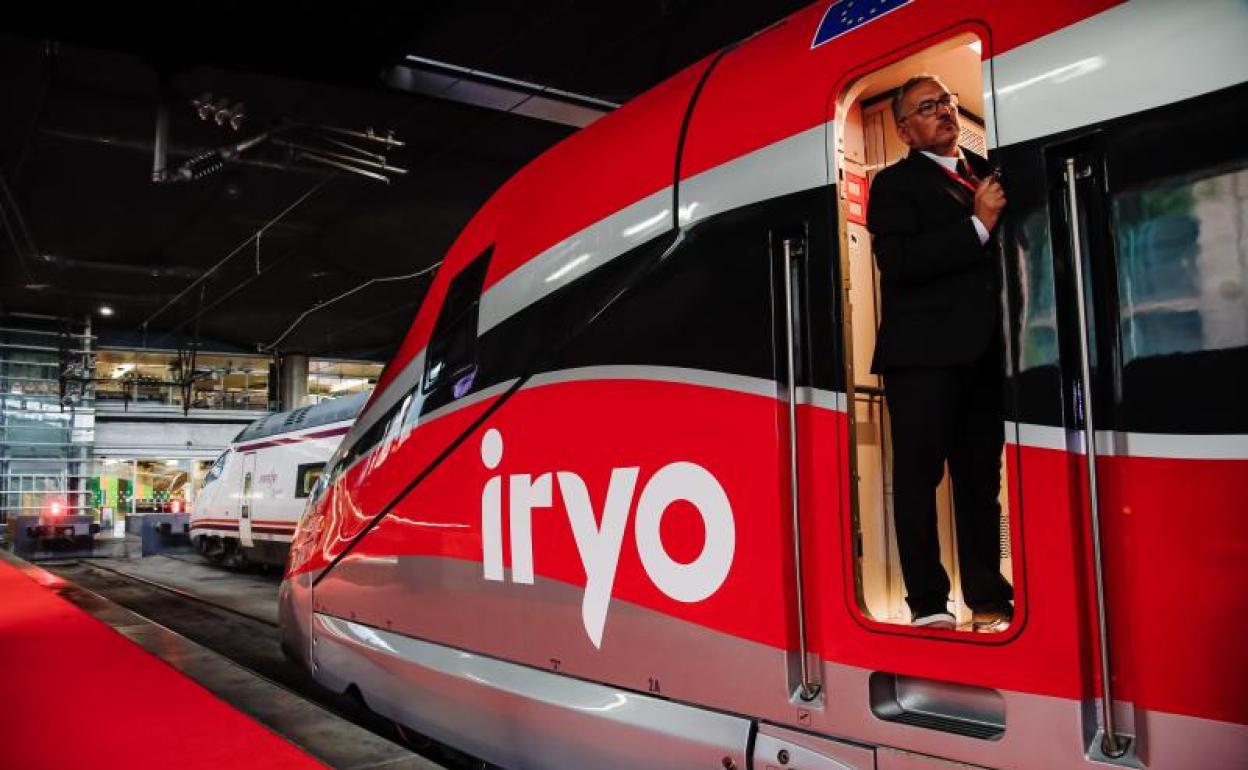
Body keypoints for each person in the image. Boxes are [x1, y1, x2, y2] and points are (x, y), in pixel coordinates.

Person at [866, 74, 1014, 631]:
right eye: (928, 107)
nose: (945, 112)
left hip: (982, 354)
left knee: (980, 480)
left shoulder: (986, 175)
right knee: (918, 478)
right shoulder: (894, 185)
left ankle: (990, 596)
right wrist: (979, 224)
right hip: (921, 356)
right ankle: (927, 602)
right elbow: (899, 263)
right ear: (904, 130)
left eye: (947, 103)